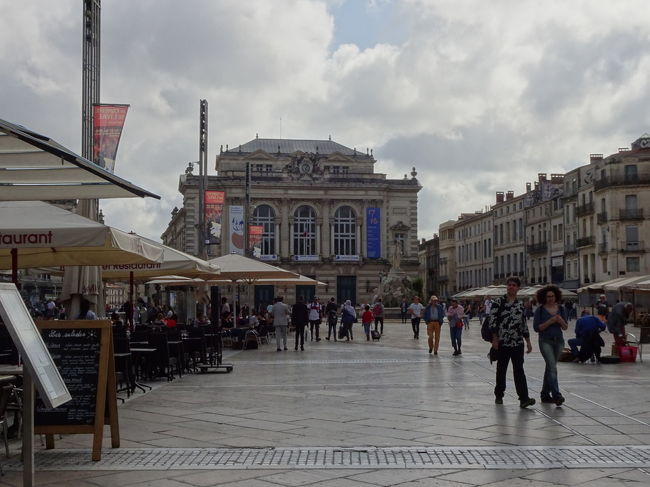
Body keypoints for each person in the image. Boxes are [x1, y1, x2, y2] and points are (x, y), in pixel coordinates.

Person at [489, 276, 535, 408]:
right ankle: (499, 394)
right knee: (501, 369)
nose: (511, 287)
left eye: (514, 285)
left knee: (519, 370)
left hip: (517, 343)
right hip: (503, 342)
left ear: (518, 288)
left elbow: (523, 324)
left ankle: (524, 398)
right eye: (509, 285)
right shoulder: (498, 302)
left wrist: (528, 341)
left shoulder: (520, 304)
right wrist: (495, 339)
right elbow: (492, 321)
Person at [533, 285, 568, 406]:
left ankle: (544, 394)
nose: (550, 299)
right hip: (545, 341)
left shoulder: (561, 309)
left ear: (556, 296)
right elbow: (537, 328)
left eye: (552, 296)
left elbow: (565, 327)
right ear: (544, 297)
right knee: (552, 367)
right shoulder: (540, 310)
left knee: (550, 367)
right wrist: (550, 321)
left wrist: (560, 320)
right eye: (548, 296)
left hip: (558, 341)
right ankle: (556, 395)